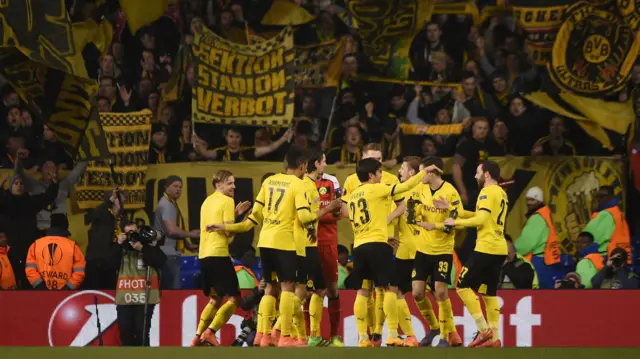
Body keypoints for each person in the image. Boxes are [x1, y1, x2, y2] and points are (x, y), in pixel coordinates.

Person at [206, 146, 340, 347]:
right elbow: (305, 218)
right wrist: (329, 207)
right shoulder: (298, 184)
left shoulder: (268, 181)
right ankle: (284, 335)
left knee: (269, 288)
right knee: (288, 288)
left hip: (265, 243)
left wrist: (225, 226)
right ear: (303, 166)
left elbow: (250, 221)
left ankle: (263, 335)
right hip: (286, 243)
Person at [343, 157, 439, 347]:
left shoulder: (353, 195)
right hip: (378, 246)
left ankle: (363, 337)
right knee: (388, 288)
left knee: (363, 291)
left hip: (359, 246)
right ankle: (392, 334)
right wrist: (424, 172)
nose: (382, 175)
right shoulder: (378, 188)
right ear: (371, 175)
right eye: (379, 172)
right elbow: (405, 187)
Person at [341, 143, 405, 346]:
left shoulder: (390, 178)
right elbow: (343, 207)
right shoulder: (353, 180)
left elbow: (402, 205)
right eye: (373, 158)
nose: (378, 162)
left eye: (379, 158)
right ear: (364, 159)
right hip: (372, 239)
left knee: (373, 288)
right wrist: (366, 224)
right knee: (379, 287)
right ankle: (378, 333)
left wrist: (388, 218)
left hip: (377, 239)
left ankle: (374, 333)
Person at [441, 160, 508, 348]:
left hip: (486, 247)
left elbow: (481, 219)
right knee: (489, 293)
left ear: (486, 174)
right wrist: (453, 211)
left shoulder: (486, 192)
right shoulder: (501, 193)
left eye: (477, 172)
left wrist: (456, 223)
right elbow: (478, 216)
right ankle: (494, 338)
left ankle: (483, 328)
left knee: (461, 285)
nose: (475, 176)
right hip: (499, 247)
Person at [195, 170, 251, 346]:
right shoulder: (227, 200)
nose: (233, 186)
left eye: (234, 183)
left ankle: (197, 338)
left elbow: (217, 224)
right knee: (235, 298)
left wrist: (233, 215)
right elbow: (228, 232)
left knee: (215, 299)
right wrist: (245, 221)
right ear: (218, 184)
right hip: (219, 254)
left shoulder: (207, 201)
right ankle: (210, 332)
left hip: (204, 255)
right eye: (229, 183)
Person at [414, 156, 463, 347]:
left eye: (422, 172)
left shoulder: (450, 192)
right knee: (417, 293)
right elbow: (414, 209)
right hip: (422, 250)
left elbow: (455, 223)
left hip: (442, 250)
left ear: (432, 172)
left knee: (441, 293)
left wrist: (432, 225)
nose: (420, 176)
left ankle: (444, 335)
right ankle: (434, 327)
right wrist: (415, 217)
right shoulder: (421, 189)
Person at [0, 173, 59, 288]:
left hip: (29, 248)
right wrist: (1, 184)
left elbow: (47, 197)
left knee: (29, 279)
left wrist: (55, 183)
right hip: (10, 249)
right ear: (10, 187)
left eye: (21, 183)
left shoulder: (30, 201)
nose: (19, 186)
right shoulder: (5, 202)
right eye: (16, 183)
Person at [115, 222, 167, 346]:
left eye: (134, 232)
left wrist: (142, 248)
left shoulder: (147, 245)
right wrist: (117, 244)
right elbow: (108, 262)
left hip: (145, 296)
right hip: (125, 296)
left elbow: (161, 260)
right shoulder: (120, 248)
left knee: (141, 331)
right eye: (128, 233)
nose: (132, 236)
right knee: (125, 330)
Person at [392, 156, 424, 347]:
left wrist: (394, 212)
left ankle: (410, 335)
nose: (400, 171)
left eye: (403, 168)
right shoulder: (420, 191)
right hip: (415, 249)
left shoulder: (411, 192)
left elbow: (411, 217)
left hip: (409, 250)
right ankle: (445, 331)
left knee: (396, 291)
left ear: (412, 173)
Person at [152, 175, 200, 289]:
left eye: (180, 187)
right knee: (171, 292)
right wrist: (191, 234)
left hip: (167, 254)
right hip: (168, 256)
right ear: (166, 187)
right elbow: (172, 230)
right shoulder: (167, 205)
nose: (178, 189)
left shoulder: (170, 203)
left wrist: (187, 245)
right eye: (175, 186)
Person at [315, 159, 344, 346]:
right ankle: (312, 336)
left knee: (332, 289)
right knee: (309, 291)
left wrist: (318, 213)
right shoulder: (302, 182)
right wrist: (328, 210)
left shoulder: (332, 181)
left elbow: (339, 213)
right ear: (315, 163)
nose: (325, 164)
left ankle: (335, 336)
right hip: (307, 243)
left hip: (328, 242)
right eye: (323, 161)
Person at [513, 187, 562, 289]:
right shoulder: (544, 215)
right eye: (527, 200)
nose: (529, 203)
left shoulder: (537, 218)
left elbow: (526, 244)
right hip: (546, 261)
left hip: (538, 262)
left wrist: (511, 250)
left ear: (539, 201)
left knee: (539, 296)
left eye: (532, 200)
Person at [25, 213, 86, 290]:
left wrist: (40, 287)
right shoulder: (73, 246)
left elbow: (30, 271)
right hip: (65, 296)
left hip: (41, 294)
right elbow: (79, 273)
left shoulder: (35, 245)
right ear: (66, 226)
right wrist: (67, 288)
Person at [583, 186, 631, 264]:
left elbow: (597, 237)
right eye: (598, 196)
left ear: (611, 196)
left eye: (603, 196)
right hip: (618, 257)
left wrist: (584, 251)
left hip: (605, 258)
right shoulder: (615, 211)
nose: (600, 199)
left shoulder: (607, 214)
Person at [0, 225, 17, 290]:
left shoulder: (11, 253)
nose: (3, 239)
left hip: (12, 291)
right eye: (0, 237)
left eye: (4, 237)